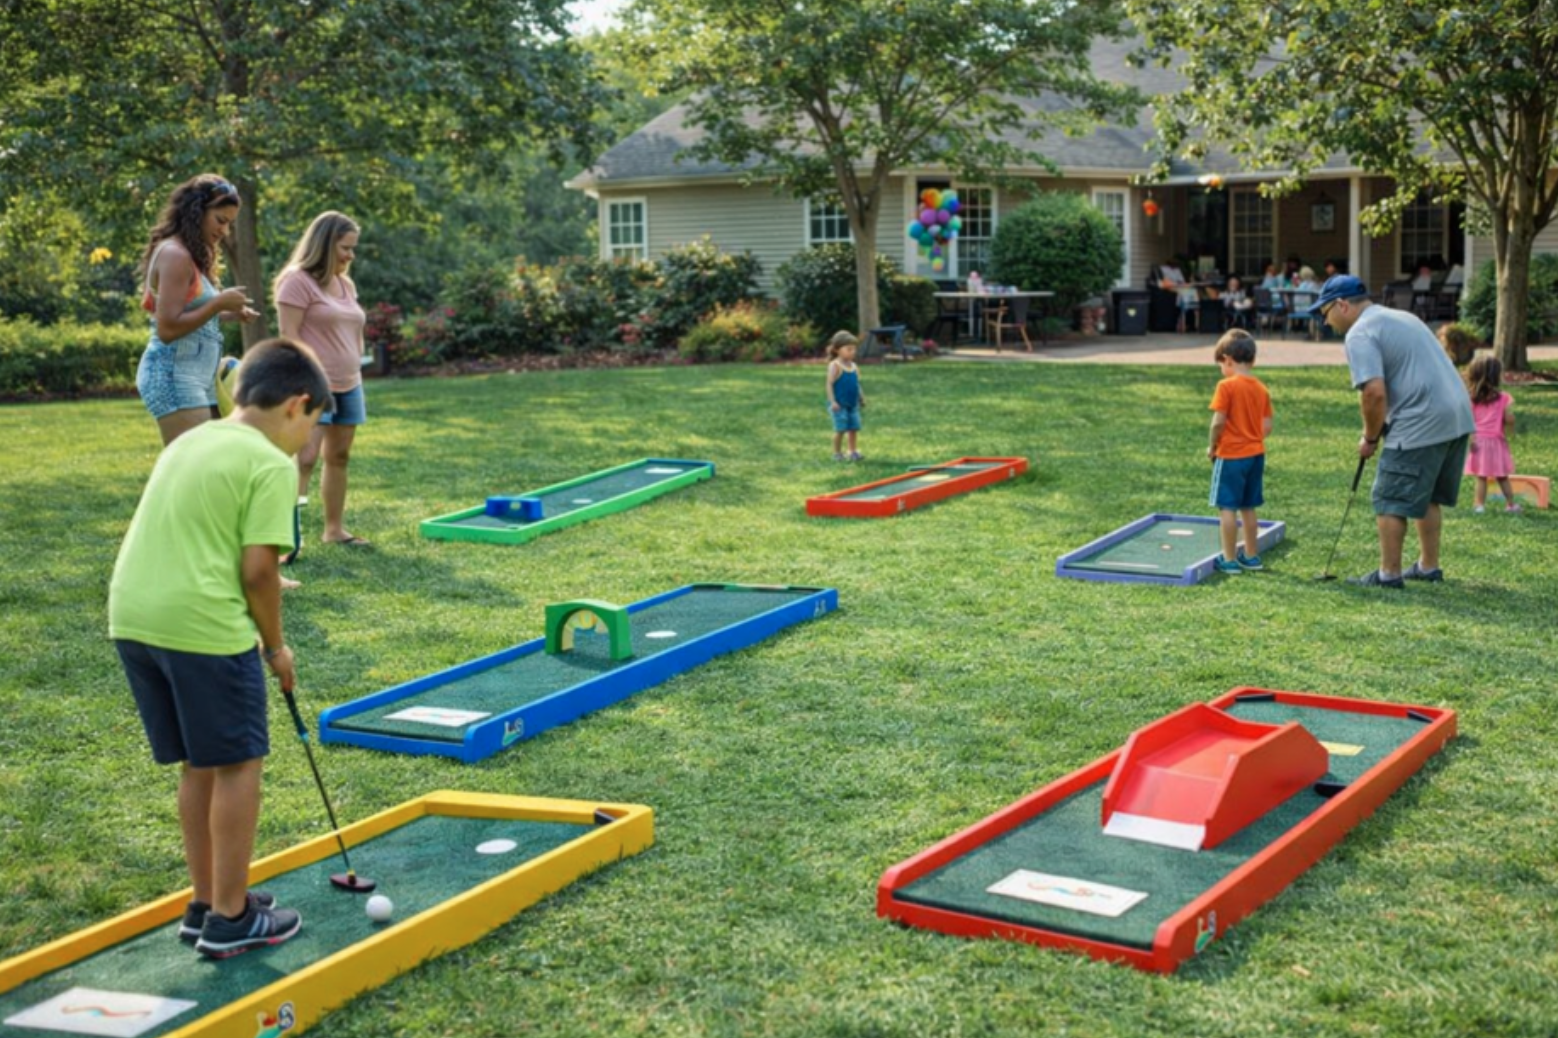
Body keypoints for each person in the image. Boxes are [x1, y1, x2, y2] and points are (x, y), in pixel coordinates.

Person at [109, 338, 333, 958]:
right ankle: (233, 920)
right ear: (297, 405)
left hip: (133, 617)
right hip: (202, 625)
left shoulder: (192, 439)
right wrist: (277, 647)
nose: (309, 438)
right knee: (238, 764)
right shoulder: (269, 464)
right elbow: (259, 571)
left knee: (201, 763)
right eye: (314, 422)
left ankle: (207, 901)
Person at [1312, 275, 1475, 587]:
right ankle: (1428, 567)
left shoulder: (1359, 333)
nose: (1325, 320)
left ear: (1342, 305)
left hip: (1422, 417)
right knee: (1426, 495)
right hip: (1456, 415)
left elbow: (1373, 393)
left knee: (1389, 497)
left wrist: (1370, 438)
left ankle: (1388, 574)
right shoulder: (1402, 317)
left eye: (1325, 312)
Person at [135, 174, 259, 446]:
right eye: (220, 221)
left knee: (211, 464)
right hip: (174, 374)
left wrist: (227, 313)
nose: (225, 231)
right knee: (192, 472)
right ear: (197, 211)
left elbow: (189, 313)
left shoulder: (188, 255)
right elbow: (167, 329)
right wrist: (218, 303)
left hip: (197, 375)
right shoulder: (175, 255)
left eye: (230, 224)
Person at [274, 212, 371, 551]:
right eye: (345, 248)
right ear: (325, 244)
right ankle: (286, 539)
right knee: (304, 458)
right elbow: (289, 336)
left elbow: (351, 329)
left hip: (349, 382)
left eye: (353, 249)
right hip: (312, 383)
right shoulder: (296, 281)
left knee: (339, 456)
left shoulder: (346, 284)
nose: (350, 256)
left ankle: (334, 530)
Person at [1206, 329, 1273, 573]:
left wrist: (1213, 445)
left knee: (1227, 507)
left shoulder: (1226, 386)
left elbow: (1218, 422)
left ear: (1228, 360)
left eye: (1221, 365)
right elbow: (1267, 426)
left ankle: (1230, 559)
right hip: (1255, 455)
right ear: (1253, 360)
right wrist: (1250, 437)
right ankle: (1252, 556)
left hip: (1231, 455)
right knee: (1249, 506)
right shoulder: (1261, 389)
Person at [1463, 354, 1520, 514]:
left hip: (1478, 442)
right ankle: (1510, 504)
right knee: (1502, 476)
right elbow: (1508, 419)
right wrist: (1510, 421)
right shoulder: (1503, 398)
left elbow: (1468, 420)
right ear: (1496, 376)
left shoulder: (1472, 399)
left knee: (1481, 476)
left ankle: (1479, 505)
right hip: (1496, 442)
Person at [825, 331, 865, 461]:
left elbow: (856, 384)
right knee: (841, 429)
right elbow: (829, 384)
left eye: (854, 349)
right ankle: (837, 453)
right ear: (837, 349)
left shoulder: (854, 366)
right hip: (839, 405)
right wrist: (833, 402)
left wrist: (861, 397)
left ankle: (852, 451)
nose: (852, 352)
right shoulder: (835, 366)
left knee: (853, 428)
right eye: (849, 349)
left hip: (852, 404)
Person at [1157, 259, 1200, 333]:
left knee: (1191, 291)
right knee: (1184, 293)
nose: (1174, 266)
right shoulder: (1163, 270)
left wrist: (1182, 284)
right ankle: (1183, 322)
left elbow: (1181, 281)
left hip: (1179, 287)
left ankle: (1192, 322)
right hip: (1173, 288)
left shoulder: (1177, 270)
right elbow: (1163, 283)